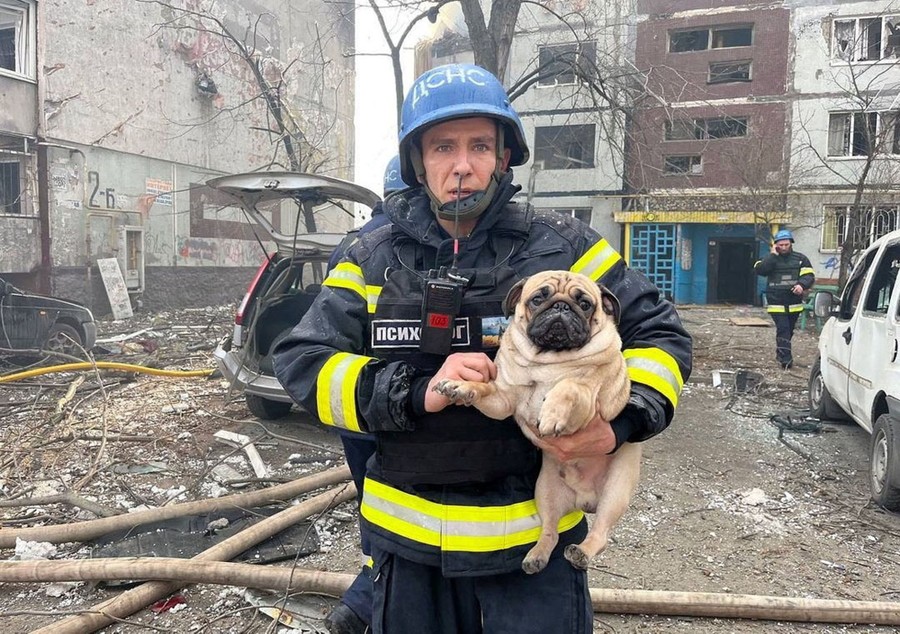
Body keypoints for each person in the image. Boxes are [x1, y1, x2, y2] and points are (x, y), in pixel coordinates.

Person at [274, 63, 692, 634]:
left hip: (529, 560)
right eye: (443, 146)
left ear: (503, 157)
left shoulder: (565, 247)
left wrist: (622, 422)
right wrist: (416, 392)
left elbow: (660, 336)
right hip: (409, 554)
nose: (462, 165)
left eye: (479, 146)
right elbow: (303, 362)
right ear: (419, 161)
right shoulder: (368, 256)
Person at [322, 154, 407, 634]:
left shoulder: (350, 245)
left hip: (352, 403)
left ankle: (368, 595)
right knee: (405, 510)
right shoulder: (416, 246)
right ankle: (367, 603)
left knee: (374, 502)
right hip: (402, 407)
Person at [754, 229, 816, 370]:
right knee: (783, 329)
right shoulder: (769, 258)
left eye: (786, 245)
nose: (783, 247)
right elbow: (760, 270)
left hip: (794, 301)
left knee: (789, 330)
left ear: (791, 244)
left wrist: (801, 285)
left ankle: (781, 352)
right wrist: (772, 256)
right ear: (776, 245)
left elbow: (809, 276)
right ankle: (786, 360)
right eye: (780, 245)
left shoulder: (801, 259)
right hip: (776, 301)